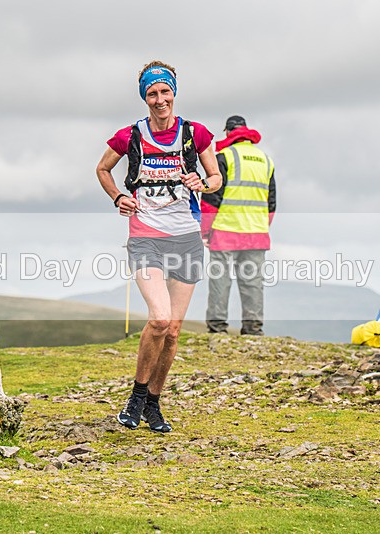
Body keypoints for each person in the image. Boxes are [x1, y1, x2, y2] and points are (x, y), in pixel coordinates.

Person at [96, 61, 222, 432]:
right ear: (144, 98)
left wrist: (203, 182)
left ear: (174, 93)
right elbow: (102, 169)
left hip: (186, 237)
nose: (159, 99)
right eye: (152, 94)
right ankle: (136, 396)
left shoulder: (195, 134)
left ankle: (153, 403)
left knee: (174, 330)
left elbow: (215, 178)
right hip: (146, 236)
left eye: (165, 92)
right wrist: (118, 196)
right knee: (159, 318)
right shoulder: (129, 136)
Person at [201, 116, 276, 335]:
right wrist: (263, 226)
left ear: (228, 133)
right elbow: (272, 202)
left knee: (220, 280)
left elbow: (211, 198)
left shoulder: (225, 157)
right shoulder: (266, 160)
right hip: (256, 232)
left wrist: (206, 231)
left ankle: (217, 328)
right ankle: (253, 329)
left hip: (225, 229)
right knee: (253, 281)